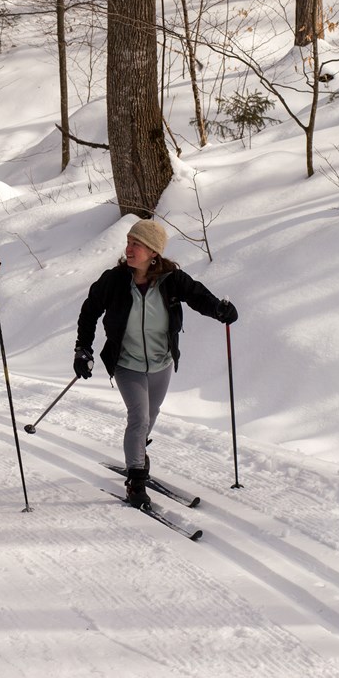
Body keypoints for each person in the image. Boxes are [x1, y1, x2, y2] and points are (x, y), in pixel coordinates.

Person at [73, 218, 238, 508]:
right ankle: (136, 480)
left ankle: (138, 450)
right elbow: (89, 311)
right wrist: (82, 349)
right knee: (139, 417)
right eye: (128, 242)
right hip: (126, 363)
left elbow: (198, 296)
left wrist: (219, 310)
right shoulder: (114, 280)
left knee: (150, 414)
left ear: (153, 252)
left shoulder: (172, 280)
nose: (129, 248)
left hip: (162, 362)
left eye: (136, 244)